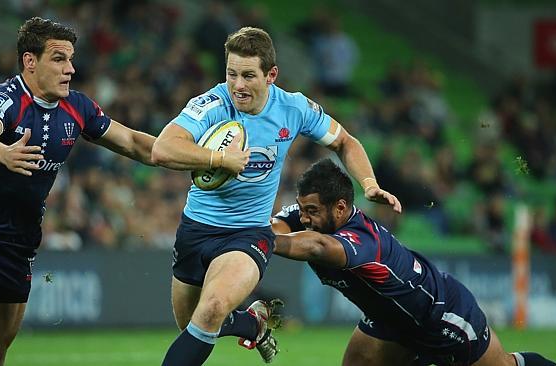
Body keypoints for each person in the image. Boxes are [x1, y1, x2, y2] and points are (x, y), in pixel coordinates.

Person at [151, 27, 401, 365]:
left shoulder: (293, 107)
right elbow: (162, 150)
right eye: (231, 73)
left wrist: (368, 183)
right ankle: (251, 323)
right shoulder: (211, 103)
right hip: (196, 230)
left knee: (210, 310)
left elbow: (344, 141)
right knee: (193, 326)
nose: (237, 85)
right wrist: (220, 159)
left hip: (248, 233)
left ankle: (241, 320)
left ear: (271, 75)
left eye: (248, 75)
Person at [0, 17, 157, 366]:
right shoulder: (6, 98)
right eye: (58, 58)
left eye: (71, 58)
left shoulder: (78, 107)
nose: (70, 68)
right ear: (30, 61)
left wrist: (197, 159)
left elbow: (132, 142)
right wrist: (3, 152)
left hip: (16, 239)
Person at [272, 158, 556, 366]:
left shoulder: (362, 241)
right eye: (302, 209)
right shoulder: (312, 216)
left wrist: (257, 239)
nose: (304, 217)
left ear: (340, 208)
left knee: (504, 365)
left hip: (441, 315)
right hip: (389, 320)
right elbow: (276, 226)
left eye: (311, 210)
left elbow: (314, 247)